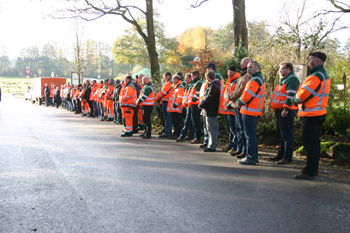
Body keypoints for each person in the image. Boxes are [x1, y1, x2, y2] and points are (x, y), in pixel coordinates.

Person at [292, 52, 330, 180]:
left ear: (317, 61)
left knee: (310, 144)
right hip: (317, 113)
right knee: (314, 143)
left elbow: (302, 94)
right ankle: (313, 169)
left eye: (310, 59)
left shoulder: (315, 76)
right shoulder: (322, 75)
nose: (308, 61)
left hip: (311, 114)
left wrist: (295, 99)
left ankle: (309, 172)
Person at [269, 62, 300, 164]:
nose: (280, 71)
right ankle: (281, 154)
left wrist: (286, 109)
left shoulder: (292, 79)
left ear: (288, 69)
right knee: (282, 134)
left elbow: (291, 95)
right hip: (280, 110)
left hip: (286, 110)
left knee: (286, 134)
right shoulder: (285, 80)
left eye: (282, 69)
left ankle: (287, 157)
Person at [236, 61, 266, 165]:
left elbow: (246, 96)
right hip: (252, 111)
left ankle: (251, 157)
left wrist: (239, 102)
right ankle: (253, 156)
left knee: (249, 135)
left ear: (257, 68)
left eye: (251, 67)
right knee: (250, 135)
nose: (248, 69)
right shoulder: (257, 79)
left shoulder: (255, 80)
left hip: (250, 111)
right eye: (248, 67)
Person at [228, 57, 252, 158]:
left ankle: (244, 150)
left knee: (242, 129)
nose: (242, 64)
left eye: (245, 63)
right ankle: (239, 148)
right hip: (236, 104)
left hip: (241, 104)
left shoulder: (247, 75)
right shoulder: (242, 74)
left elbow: (241, 89)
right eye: (242, 62)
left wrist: (232, 96)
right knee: (238, 128)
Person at [219, 65, 240, 153]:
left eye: (229, 71)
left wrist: (230, 104)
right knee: (230, 129)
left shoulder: (236, 81)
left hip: (232, 109)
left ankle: (234, 146)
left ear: (233, 72)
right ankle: (231, 145)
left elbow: (236, 94)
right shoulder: (230, 81)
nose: (227, 73)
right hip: (227, 109)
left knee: (233, 129)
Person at [198, 71, 221, 152]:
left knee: (211, 129)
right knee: (210, 128)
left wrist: (201, 104)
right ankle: (210, 144)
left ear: (208, 78)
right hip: (210, 109)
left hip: (211, 109)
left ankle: (212, 145)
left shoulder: (213, 86)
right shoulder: (214, 85)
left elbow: (208, 98)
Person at [176, 73, 195, 142]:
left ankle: (182, 136)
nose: (185, 80)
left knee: (187, 121)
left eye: (187, 79)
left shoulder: (191, 85)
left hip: (190, 105)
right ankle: (191, 135)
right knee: (190, 122)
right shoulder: (188, 85)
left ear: (190, 79)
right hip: (187, 105)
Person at [187, 70, 203, 143]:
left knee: (196, 121)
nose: (192, 78)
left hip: (196, 104)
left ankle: (198, 137)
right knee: (194, 121)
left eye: (192, 76)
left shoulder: (199, 82)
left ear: (195, 76)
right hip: (193, 104)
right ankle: (195, 136)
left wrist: (192, 99)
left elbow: (198, 93)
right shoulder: (195, 83)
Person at [167, 75, 185, 139]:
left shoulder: (180, 87)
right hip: (174, 108)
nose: (172, 81)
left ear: (177, 79)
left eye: (173, 79)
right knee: (175, 122)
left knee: (178, 122)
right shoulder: (174, 87)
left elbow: (180, 97)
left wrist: (176, 104)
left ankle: (178, 133)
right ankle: (175, 133)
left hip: (177, 108)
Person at [156, 72, 173, 138]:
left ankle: (168, 132)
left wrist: (157, 97)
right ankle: (167, 131)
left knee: (167, 117)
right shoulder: (168, 83)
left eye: (164, 76)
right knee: (166, 117)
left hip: (166, 101)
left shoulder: (168, 83)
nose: (164, 77)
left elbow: (163, 92)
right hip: (165, 101)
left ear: (167, 76)